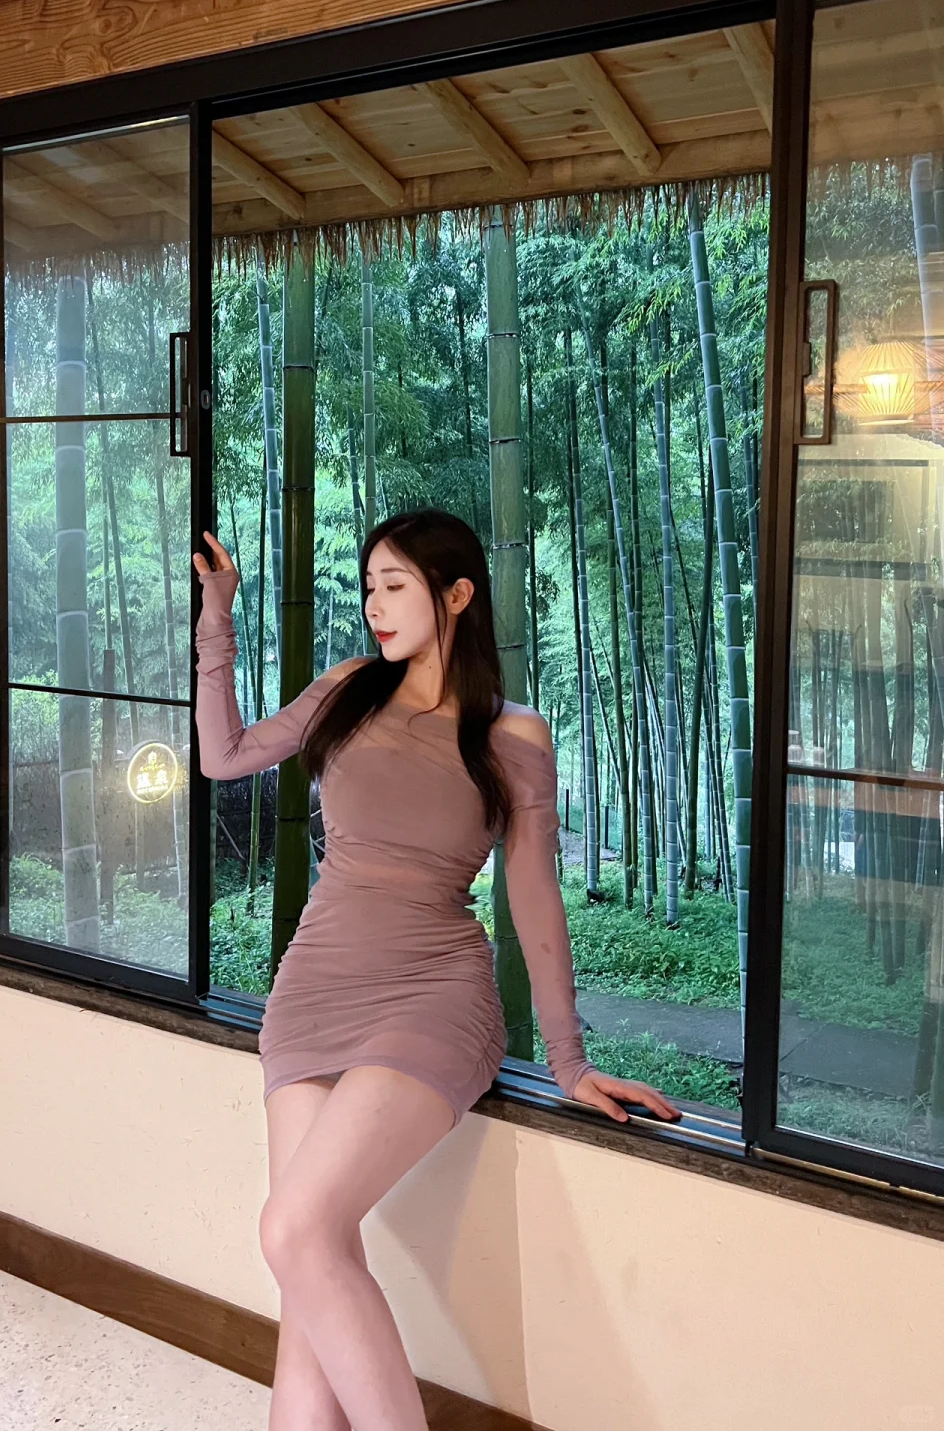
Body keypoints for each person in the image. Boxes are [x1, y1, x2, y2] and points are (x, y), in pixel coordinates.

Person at [192, 507, 680, 1431]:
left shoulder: (514, 736)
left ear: (457, 595)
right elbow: (225, 756)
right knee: (306, 1269)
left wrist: (569, 1060)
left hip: (432, 994)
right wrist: (219, 612)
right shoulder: (349, 690)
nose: (374, 606)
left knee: (295, 1229)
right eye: (369, 587)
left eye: (395, 586)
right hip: (313, 990)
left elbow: (535, 901)